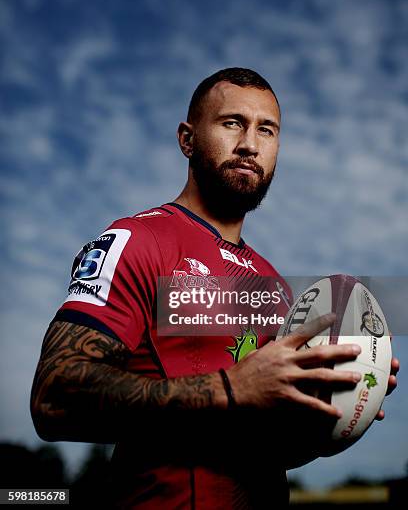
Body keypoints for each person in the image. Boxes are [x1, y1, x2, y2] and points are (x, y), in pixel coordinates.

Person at [30, 68, 398, 509]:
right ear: (187, 140)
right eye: (231, 123)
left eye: (267, 129)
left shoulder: (272, 285)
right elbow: (55, 397)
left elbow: (265, 448)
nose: (250, 143)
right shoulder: (138, 241)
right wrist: (231, 389)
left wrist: (334, 418)